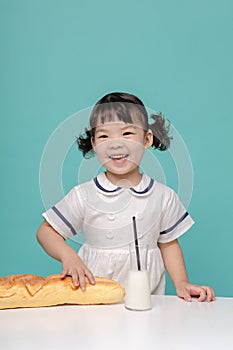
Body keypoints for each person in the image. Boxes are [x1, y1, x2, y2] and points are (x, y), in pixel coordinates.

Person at [36, 92, 215, 302]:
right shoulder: (84, 194)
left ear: (147, 139)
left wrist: (182, 283)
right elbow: (46, 232)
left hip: (146, 299)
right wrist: (69, 256)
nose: (115, 144)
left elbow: (168, 244)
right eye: (104, 136)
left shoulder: (163, 196)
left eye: (127, 133)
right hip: (92, 297)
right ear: (94, 143)